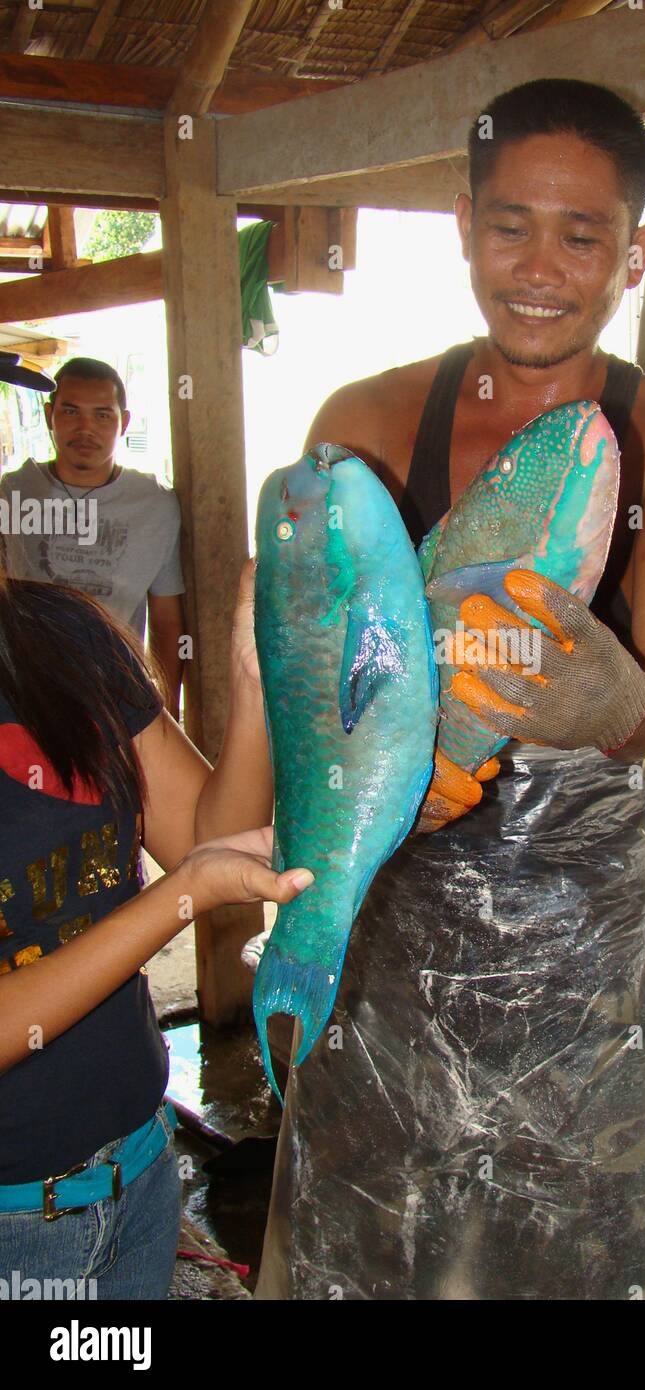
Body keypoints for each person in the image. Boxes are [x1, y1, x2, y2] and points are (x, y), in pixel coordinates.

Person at [256, 79, 645, 1300]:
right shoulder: (363, 427)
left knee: (585, 1254)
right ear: (462, 224)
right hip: (384, 933)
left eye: (582, 236)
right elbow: (311, 687)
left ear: (634, 251)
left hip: (587, 959)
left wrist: (616, 704)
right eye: (508, 225)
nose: (539, 266)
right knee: (364, 1246)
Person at [0, 553, 313, 1300]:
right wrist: (181, 898)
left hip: (141, 1174)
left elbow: (208, 838)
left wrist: (255, 681)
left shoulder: (63, 632)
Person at [0, 357, 186, 715]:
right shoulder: (13, 493)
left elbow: (167, 618)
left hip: (115, 700)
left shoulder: (155, 505)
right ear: (50, 413)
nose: (86, 429)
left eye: (102, 415)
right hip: (28, 698)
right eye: (71, 412)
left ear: (124, 422)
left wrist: (168, 712)